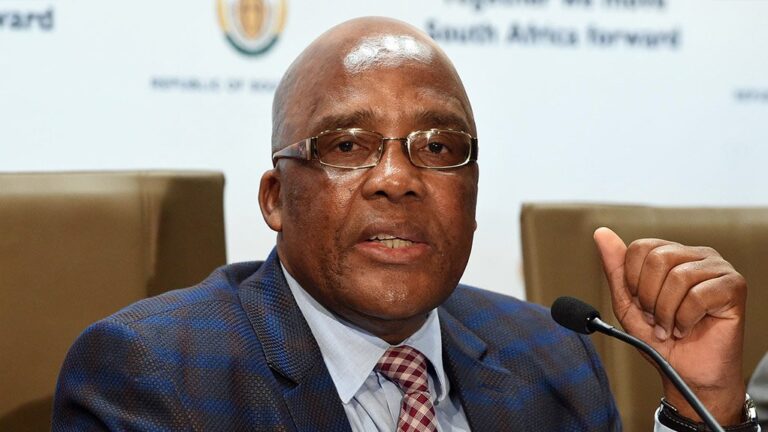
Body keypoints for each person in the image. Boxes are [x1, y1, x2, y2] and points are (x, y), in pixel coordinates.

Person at [52, 17, 758, 431]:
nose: (397, 178)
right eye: (347, 145)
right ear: (275, 199)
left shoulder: (552, 359)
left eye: (439, 149)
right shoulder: (153, 377)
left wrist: (700, 409)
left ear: (472, 198)